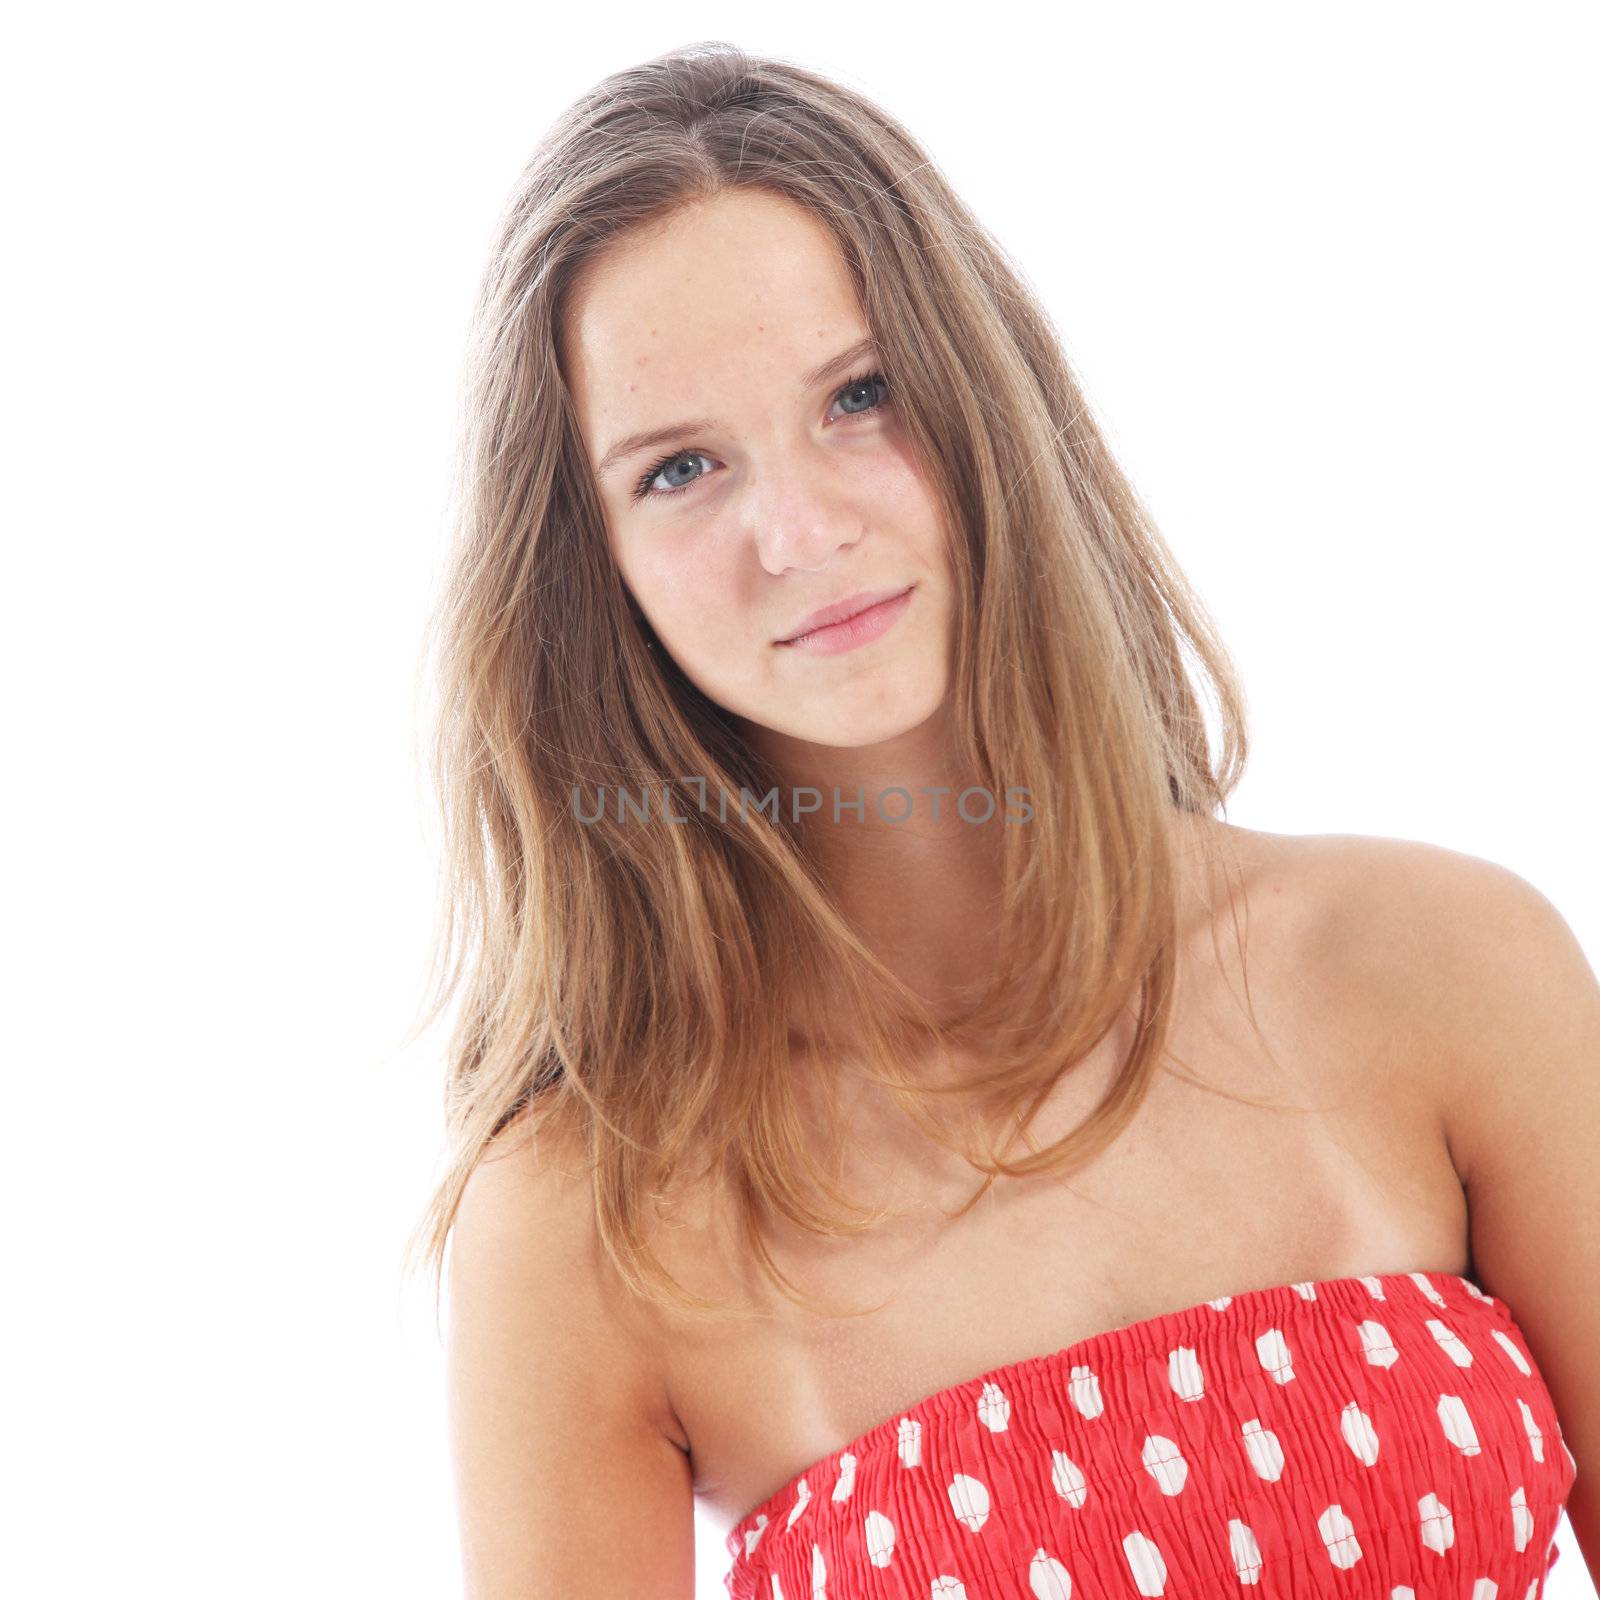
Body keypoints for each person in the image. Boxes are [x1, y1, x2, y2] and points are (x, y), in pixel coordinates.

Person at [402, 41, 1596, 1599]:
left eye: (862, 394)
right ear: (590, 571)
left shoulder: (1439, 965)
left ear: (988, 398)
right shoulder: (594, 1221)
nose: (799, 528)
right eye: (680, 467)